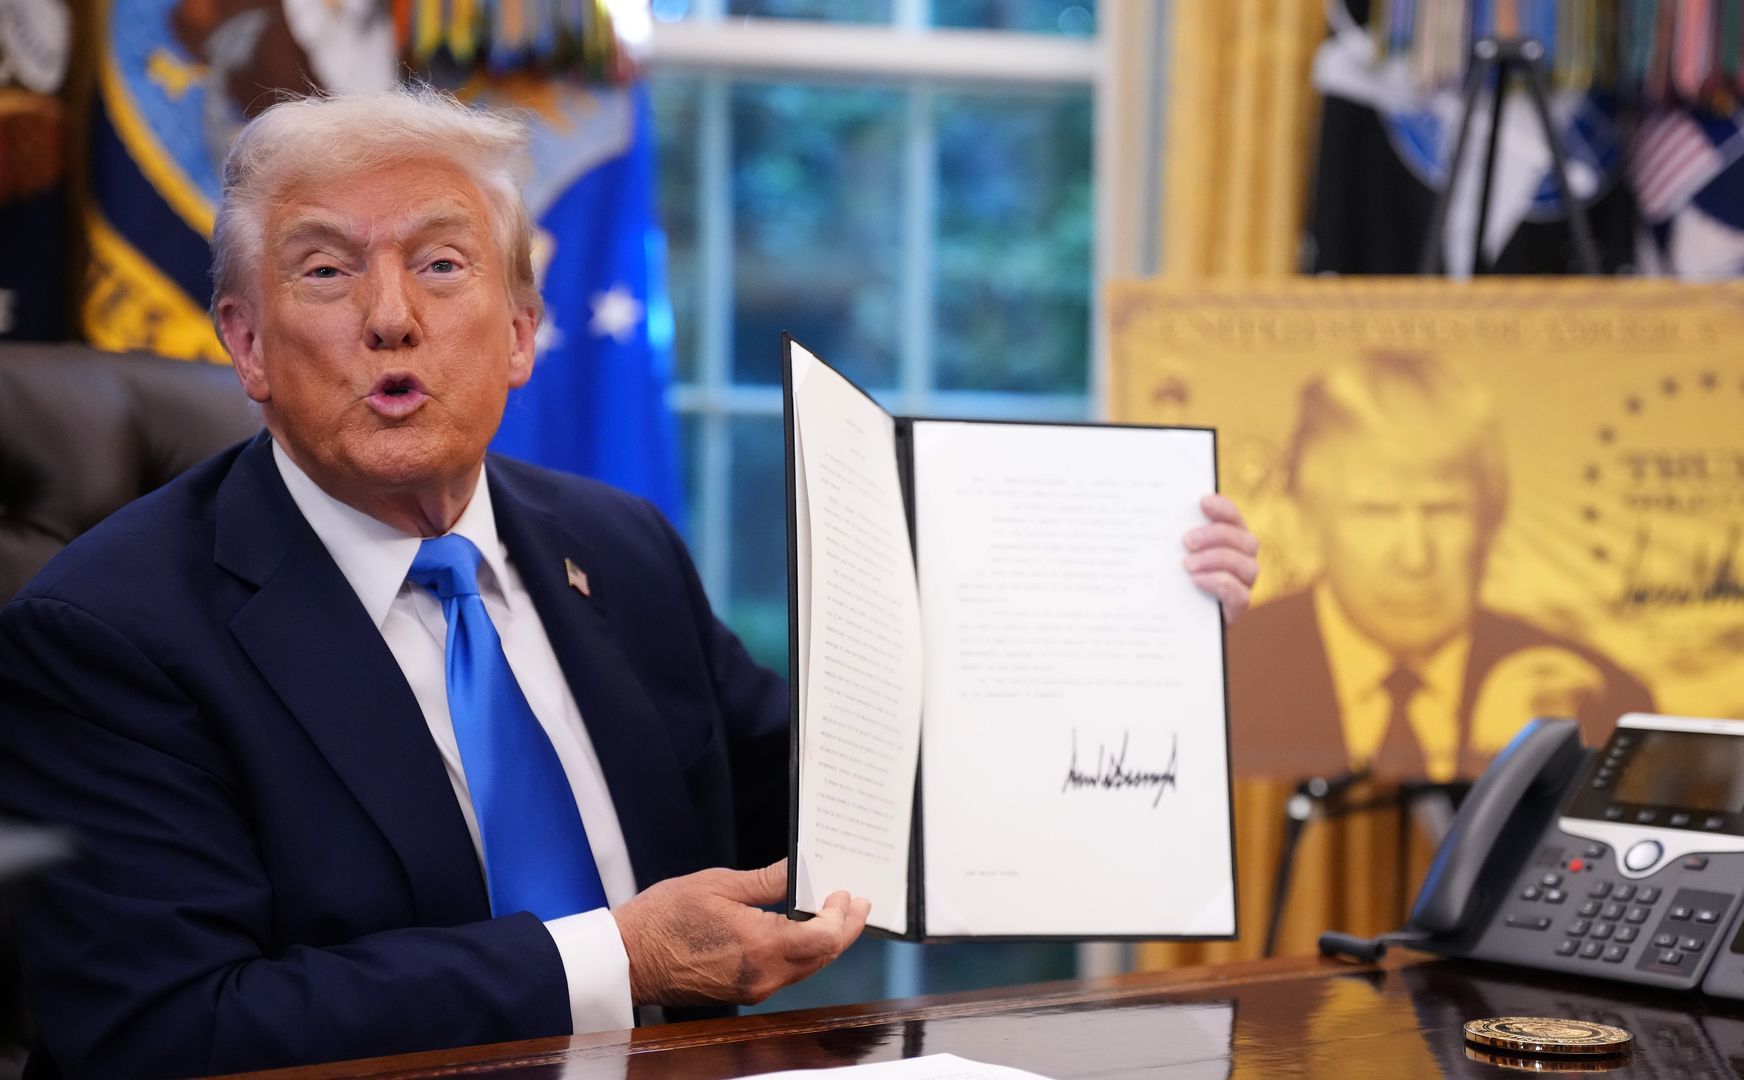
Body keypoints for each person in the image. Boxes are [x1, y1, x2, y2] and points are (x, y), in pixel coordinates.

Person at [0, 88, 1260, 1078]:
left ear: (518, 332)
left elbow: (852, 811)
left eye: (442, 266)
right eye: (326, 272)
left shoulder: (619, 547)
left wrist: (1136, 625)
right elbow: (168, 1033)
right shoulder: (106, 631)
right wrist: (620, 956)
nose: (390, 318)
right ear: (248, 343)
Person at [1229, 351, 1652, 784]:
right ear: (1308, 520)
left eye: (1444, 511)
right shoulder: (1226, 676)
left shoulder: (1600, 701)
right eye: (1375, 512)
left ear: (1492, 518)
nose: (1415, 558)